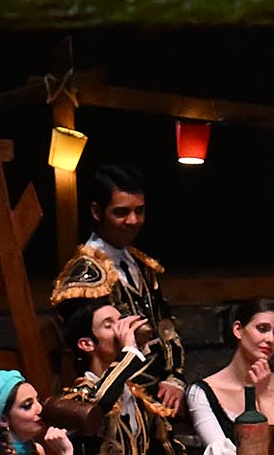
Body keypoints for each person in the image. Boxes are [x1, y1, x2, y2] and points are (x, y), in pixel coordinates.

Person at [48, 158, 183, 398]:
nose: (132, 221)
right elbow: (85, 354)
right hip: (112, 394)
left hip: (160, 392)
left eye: (139, 211)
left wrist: (174, 378)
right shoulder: (83, 276)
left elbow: (165, 325)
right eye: (121, 212)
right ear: (96, 212)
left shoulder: (141, 265)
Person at [58, 290, 190, 455]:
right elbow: (98, 402)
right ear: (86, 344)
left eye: (121, 320)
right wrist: (129, 351)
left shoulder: (138, 398)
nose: (123, 329)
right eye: (109, 325)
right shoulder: (76, 399)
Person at [188, 296, 274, 455]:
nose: (271, 339)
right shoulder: (201, 393)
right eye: (262, 329)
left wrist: (264, 399)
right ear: (238, 330)